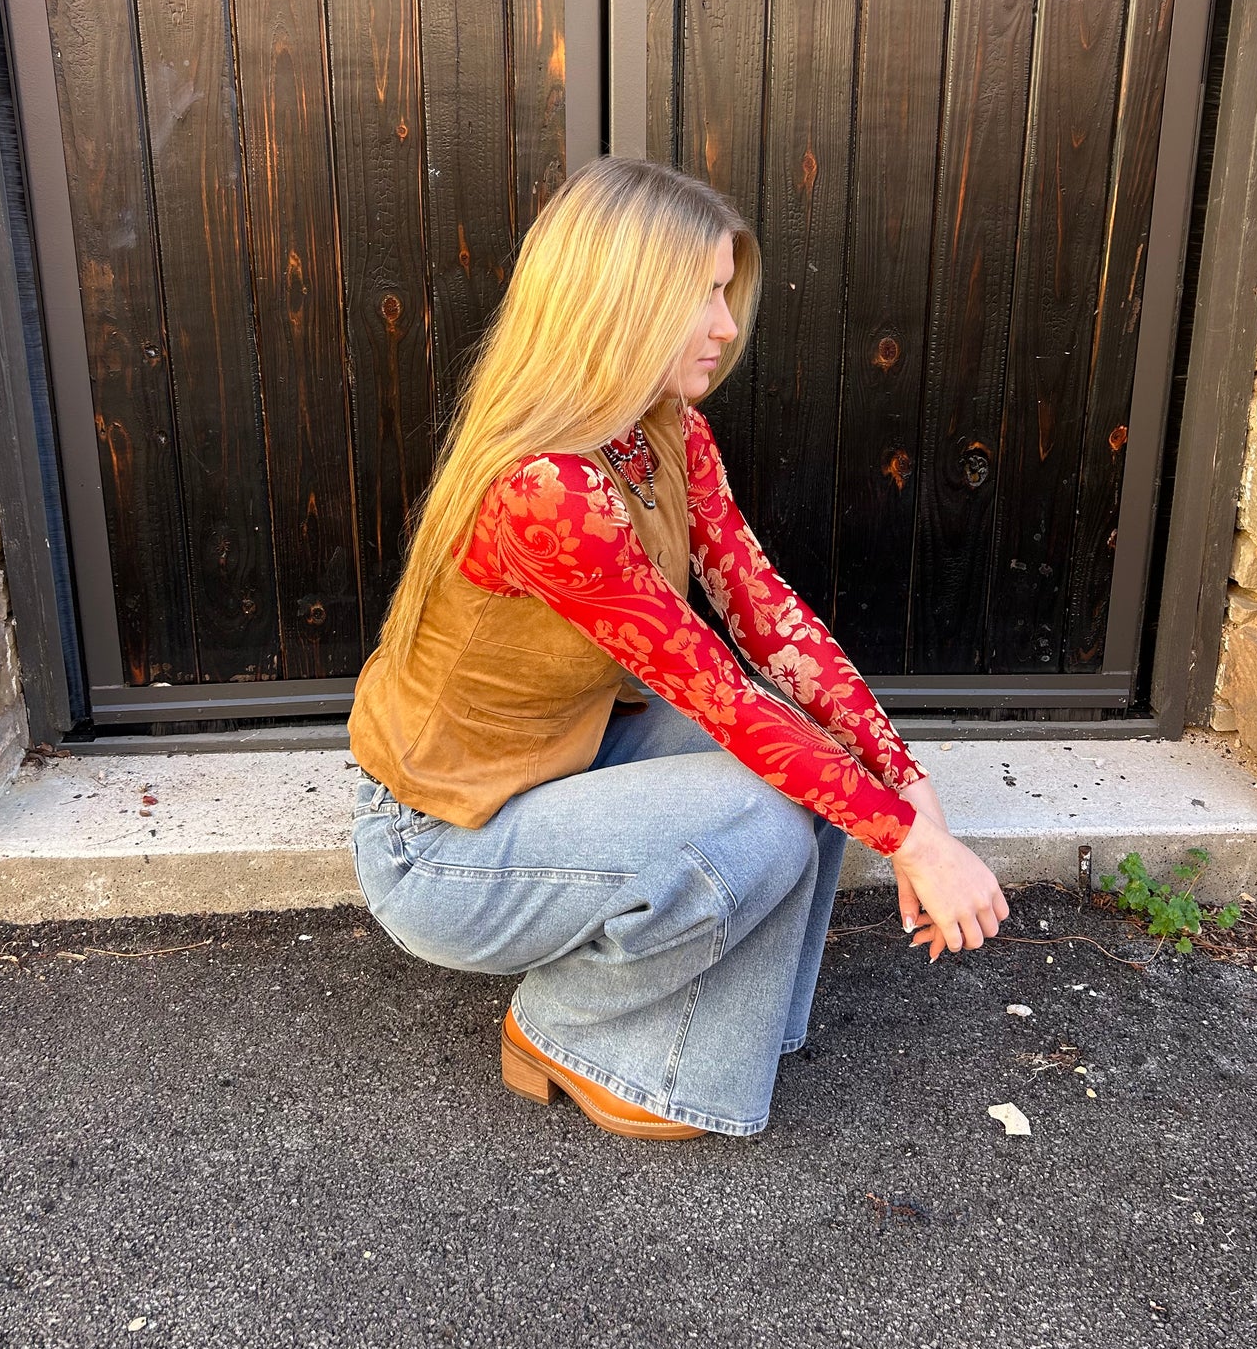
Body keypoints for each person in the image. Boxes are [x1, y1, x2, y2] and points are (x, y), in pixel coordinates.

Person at [349, 158, 1008, 1140]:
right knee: (759, 813)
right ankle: (570, 1032)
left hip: (555, 767)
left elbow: (764, 613)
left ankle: (706, 1032)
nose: (725, 324)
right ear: (621, 302)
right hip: (441, 845)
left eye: (721, 291)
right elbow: (709, 689)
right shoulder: (548, 491)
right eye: (700, 295)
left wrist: (906, 786)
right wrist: (909, 841)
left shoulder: (661, 430)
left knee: (801, 764)